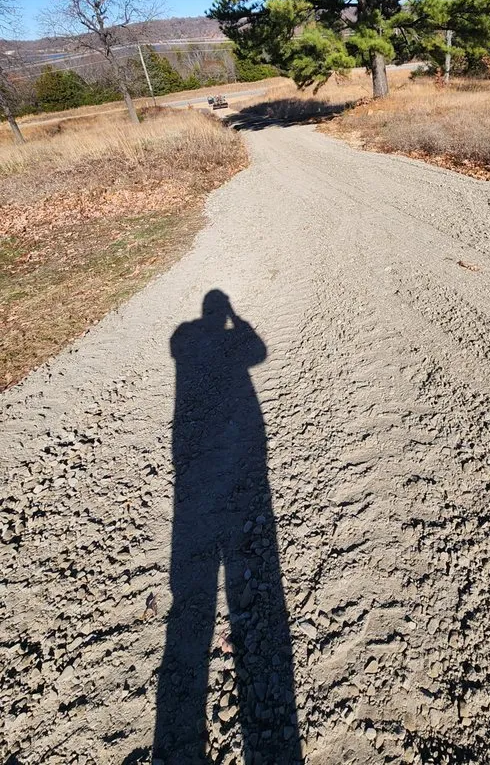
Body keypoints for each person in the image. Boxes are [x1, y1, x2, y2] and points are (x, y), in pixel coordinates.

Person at [153, 290, 299, 764]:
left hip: (191, 458)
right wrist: (238, 320)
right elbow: (258, 353)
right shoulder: (197, 335)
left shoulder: (183, 336)